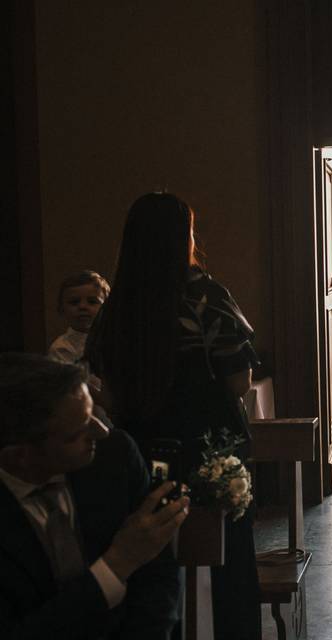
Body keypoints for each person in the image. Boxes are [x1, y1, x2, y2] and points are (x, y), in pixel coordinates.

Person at [86, 192, 261, 639]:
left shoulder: (115, 306)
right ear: (183, 236)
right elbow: (239, 382)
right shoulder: (205, 296)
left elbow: (103, 391)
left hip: (139, 454)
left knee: (152, 569)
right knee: (226, 569)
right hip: (207, 448)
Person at [0, 353, 186, 639]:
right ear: (19, 457)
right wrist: (116, 565)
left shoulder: (115, 458)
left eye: (93, 414)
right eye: (77, 432)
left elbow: (158, 580)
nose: (100, 432)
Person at [48, 270, 111, 372]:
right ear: (61, 309)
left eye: (92, 302)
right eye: (74, 302)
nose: (82, 307)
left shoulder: (113, 339)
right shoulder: (62, 348)